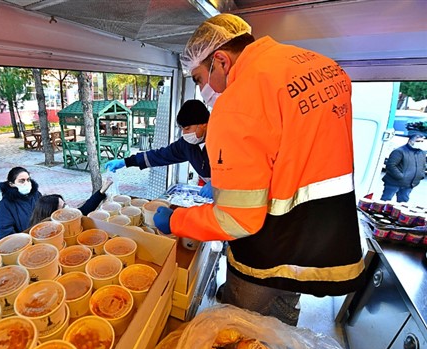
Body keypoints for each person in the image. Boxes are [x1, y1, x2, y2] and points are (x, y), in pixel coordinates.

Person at [154, 14, 365, 325]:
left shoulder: (238, 101)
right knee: (279, 324)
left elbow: (237, 219)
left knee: (240, 333)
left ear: (221, 62)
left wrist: (176, 220)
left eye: (198, 79)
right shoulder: (321, 66)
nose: (203, 90)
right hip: (316, 245)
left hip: (267, 251)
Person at [105, 99, 213, 197]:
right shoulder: (186, 145)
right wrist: (126, 161)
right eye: (182, 129)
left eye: (187, 129)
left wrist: (217, 185)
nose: (184, 134)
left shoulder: (222, 141)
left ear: (204, 124)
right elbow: (160, 155)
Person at [28, 178, 113, 227]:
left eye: (65, 204)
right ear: (52, 215)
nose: (67, 207)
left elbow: (85, 209)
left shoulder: (69, 218)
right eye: (63, 206)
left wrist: (102, 190)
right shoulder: (45, 233)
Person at [0, 167, 42, 239]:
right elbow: (5, 233)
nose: (26, 183)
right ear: (11, 184)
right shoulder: (4, 205)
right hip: (24, 245)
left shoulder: (36, 195)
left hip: (42, 237)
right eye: (21, 181)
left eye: (28, 180)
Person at [380, 133, 426, 203]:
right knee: (385, 201)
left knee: (402, 204)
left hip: (409, 185)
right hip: (394, 183)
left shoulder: (421, 153)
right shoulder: (399, 151)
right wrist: (401, 176)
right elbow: (391, 165)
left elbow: (423, 166)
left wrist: (420, 176)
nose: (420, 143)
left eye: (422, 141)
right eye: (418, 141)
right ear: (410, 141)